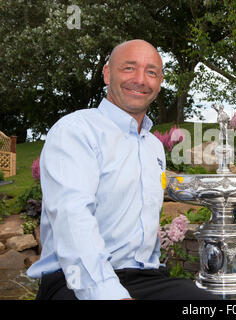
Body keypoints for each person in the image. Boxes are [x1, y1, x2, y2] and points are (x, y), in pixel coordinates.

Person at [26, 39, 216, 300]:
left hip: (145, 279)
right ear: (107, 74)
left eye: (151, 72)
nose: (140, 79)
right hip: (73, 281)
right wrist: (109, 294)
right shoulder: (76, 131)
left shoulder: (153, 147)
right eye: (129, 68)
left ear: (159, 82)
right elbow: (73, 219)